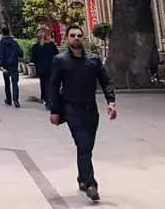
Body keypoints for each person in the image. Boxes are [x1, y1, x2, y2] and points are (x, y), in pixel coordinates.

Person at [48, 24, 117, 203]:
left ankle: (81, 177)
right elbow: (53, 86)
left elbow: (105, 81)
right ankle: (91, 184)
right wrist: (54, 110)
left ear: (83, 38)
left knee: (86, 147)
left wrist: (111, 102)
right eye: (72, 35)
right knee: (84, 144)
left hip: (91, 109)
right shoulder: (60, 60)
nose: (76, 38)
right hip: (71, 109)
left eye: (79, 35)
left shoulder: (93, 60)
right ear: (67, 38)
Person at [30, 28, 60, 106]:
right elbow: (56, 55)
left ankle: (44, 98)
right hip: (50, 67)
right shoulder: (51, 45)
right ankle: (49, 98)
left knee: (43, 83)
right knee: (50, 83)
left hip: (40, 68)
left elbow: (33, 58)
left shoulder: (35, 46)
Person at [0, 26, 23, 108]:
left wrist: (0, 65)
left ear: (2, 33)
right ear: (9, 32)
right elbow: (20, 53)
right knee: (15, 83)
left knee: (7, 83)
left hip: (5, 66)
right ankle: (16, 100)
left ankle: (8, 99)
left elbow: (0, 54)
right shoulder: (14, 42)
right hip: (14, 65)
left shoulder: (1, 43)